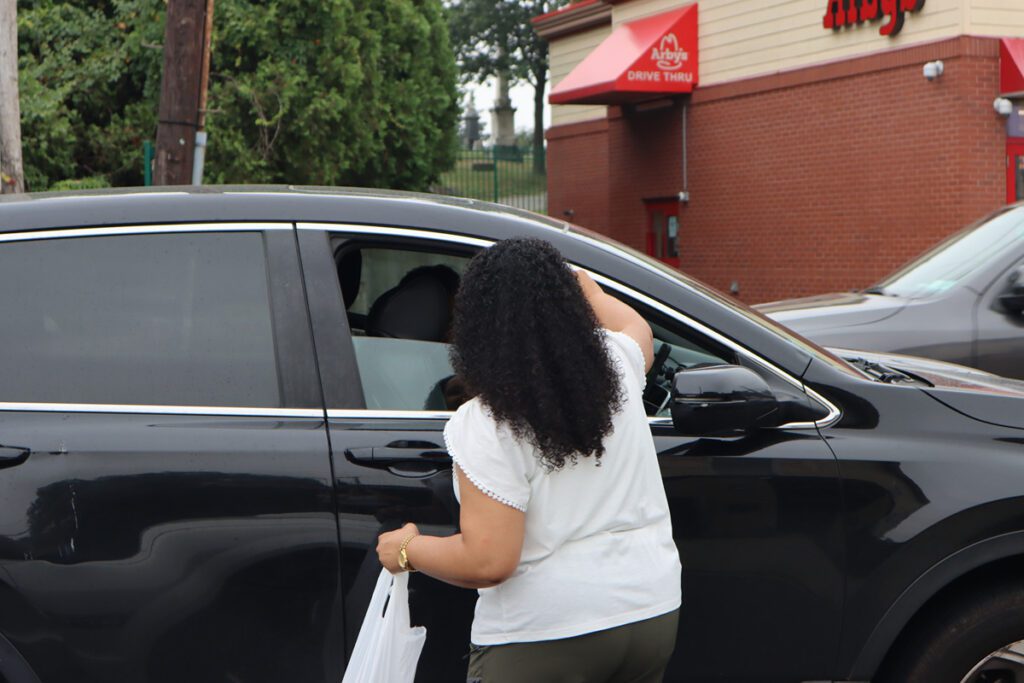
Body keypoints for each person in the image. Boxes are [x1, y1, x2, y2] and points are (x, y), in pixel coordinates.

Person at [376, 237, 682, 682]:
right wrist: (589, 291)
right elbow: (640, 330)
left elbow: (489, 561)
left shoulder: (486, 421)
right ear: (569, 308)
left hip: (545, 635)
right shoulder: (616, 367)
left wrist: (405, 549)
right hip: (650, 614)